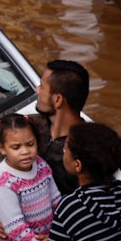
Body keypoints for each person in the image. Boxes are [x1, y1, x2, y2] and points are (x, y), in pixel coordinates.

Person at [35, 59, 91, 192]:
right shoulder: (30, 126)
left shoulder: (87, 149)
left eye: (42, 87)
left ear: (57, 100)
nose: (37, 90)